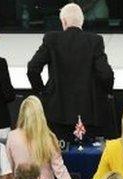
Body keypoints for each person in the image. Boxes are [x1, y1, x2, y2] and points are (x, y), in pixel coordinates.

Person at [27, 2, 114, 137]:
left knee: (56, 155)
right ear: (82, 21)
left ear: (63, 21)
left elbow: (33, 68)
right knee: (86, 155)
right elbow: (106, 75)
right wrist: (105, 93)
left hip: (56, 113)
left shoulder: (51, 39)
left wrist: (42, 93)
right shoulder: (95, 41)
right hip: (88, 114)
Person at [6, 96, 85, 179]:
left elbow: (9, 169)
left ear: (22, 113)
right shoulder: (49, 138)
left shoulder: (12, 136)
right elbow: (60, 171)